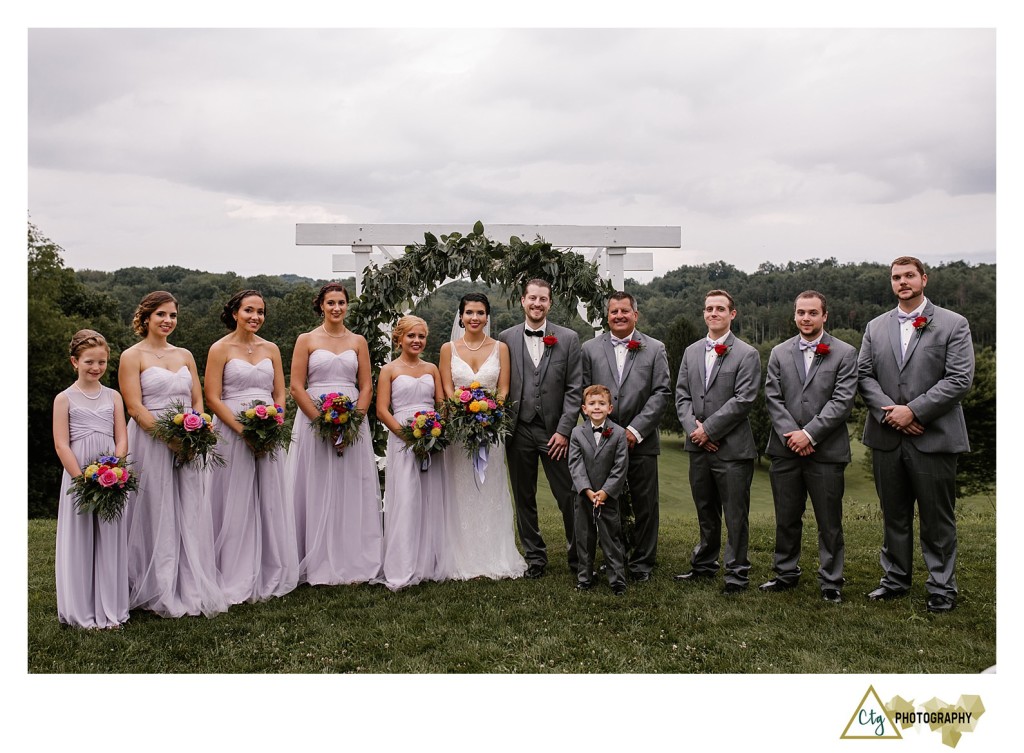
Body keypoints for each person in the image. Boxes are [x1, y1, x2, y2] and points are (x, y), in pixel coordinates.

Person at [857, 257, 974, 613]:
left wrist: (915, 410)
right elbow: (863, 375)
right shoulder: (876, 327)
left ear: (924, 279)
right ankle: (894, 579)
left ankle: (941, 586)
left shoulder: (954, 324)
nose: (903, 282)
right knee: (893, 513)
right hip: (887, 436)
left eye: (909, 276)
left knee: (937, 517)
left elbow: (959, 379)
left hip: (934, 436)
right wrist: (893, 414)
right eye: (896, 277)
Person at [119, 291, 228, 618]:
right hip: (151, 441)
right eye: (161, 315)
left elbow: (197, 398)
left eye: (173, 315)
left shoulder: (184, 355)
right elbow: (134, 406)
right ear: (146, 317)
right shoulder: (131, 356)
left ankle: (189, 583)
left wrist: (195, 431)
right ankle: (156, 584)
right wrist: (169, 438)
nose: (168, 321)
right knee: (156, 508)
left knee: (189, 507)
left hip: (189, 439)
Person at [760, 291, 857, 603]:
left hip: (826, 451)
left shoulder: (844, 353)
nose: (806, 318)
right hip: (785, 449)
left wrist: (810, 434)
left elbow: (842, 402)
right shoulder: (778, 352)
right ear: (794, 315)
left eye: (812, 313)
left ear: (824, 316)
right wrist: (793, 434)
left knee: (829, 520)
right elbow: (772, 398)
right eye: (801, 312)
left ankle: (831, 580)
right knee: (786, 516)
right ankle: (785, 572)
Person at [204, 290, 298, 604]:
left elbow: (280, 392)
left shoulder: (271, 348)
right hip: (232, 429)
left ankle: (270, 567)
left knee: (269, 496)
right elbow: (213, 398)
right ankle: (232, 570)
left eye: (260, 312)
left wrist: (276, 421)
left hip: (268, 429)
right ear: (234, 313)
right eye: (248, 310)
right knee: (235, 497)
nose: (255, 317)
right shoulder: (220, 349)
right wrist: (243, 429)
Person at [289, 283, 383, 586]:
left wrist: (354, 420)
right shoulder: (306, 339)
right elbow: (296, 386)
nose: (337, 308)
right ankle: (314, 559)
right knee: (315, 484)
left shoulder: (358, 341)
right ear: (321, 306)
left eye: (341, 302)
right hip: (313, 418)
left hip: (352, 419)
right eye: (331, 303)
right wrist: (322, 423)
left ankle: (353, 557)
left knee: (351, 486)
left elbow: (366, 385)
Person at [673, 289, 760, 594]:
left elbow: (744, 399)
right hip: (698, 448)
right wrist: (694, 430)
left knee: (735, 515)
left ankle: (737, 574)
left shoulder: (747, 354)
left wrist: (708, 430)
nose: (713, 313)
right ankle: (705, 564)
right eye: (709, 308)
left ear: (732, 314)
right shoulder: (691, 351)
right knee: (705, 509)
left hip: (733, 450)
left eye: (720, 308)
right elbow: (681, 395)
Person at [581, 291, 671, 581]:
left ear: (636, 314)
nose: (618, 316)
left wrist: (634, 430)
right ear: (606, 315)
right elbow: (584, 392)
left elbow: (661, 392)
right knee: (609, 504)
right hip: (604, 441)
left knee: (646, 504)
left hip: (642, 440)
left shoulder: (655, 348)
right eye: (613, 311)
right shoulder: (590, 348)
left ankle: (643, 563)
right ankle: (613, 558)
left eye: (624, 311)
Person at [438, 293, 527, 580]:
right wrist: (461, 412)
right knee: (460, 489)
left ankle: (492, 554)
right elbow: (445, 389)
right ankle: (461, 554)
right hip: (459, 432)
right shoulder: (447, 348)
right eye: (469, 312)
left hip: (491, 430)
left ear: (488, 316)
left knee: (490, 487)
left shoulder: (500, 348)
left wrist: (490, 414)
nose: (474, 318)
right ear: (460, 316)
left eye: (480, 313)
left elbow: (503, 389)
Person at [498, 279, 583, 579]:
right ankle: (535, 557)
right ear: (522, 301)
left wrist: (564, 430)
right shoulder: (505, 338)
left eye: (543, 299)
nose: (537, 304)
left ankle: (579, 557)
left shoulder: (569, 338)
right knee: (524, 496)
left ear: (550, 303)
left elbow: (575, 388)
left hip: (555, 432)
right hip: (518, 430)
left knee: (570, 494)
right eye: (532, 298)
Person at [53, 329, 129, 629]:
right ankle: (81, 609)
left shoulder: (113, 396)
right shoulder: (64, 398)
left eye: (101, 362)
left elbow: (121, 437)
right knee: (81, 537)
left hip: (110, 469)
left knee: (110, 538)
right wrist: (81, 480)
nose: (96, 368)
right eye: (89, 362)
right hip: (79, 471)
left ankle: (110, 607)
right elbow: (61, 443)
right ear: (75, 362)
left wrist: (116, 468)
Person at [377, 316, 448, 590]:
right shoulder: (389, 370)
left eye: (421, 336)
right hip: (403, 438)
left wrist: (435, 431)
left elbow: (440, 404)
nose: (417, 341)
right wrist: (407, 436)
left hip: (432, 439)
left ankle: (429, 562)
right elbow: (383, 409)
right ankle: (403, 565)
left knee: (430, 497)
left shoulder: (431, 368)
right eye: (411, 336)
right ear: (399, 339)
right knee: (406, 498)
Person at [568, 385, 629, 596]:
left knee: (611, 537)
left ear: (610, 408)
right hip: (583, 495)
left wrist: (605, 492)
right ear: (584, 409)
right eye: (592, 404)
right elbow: (575, 464)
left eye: (601, 403)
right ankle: (584, 577)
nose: (597, 407)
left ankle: (617, 580)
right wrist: (587, 490)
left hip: (608, 496)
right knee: (583, 537)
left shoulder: (619, 433)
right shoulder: (576, 433)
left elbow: (620, 467)